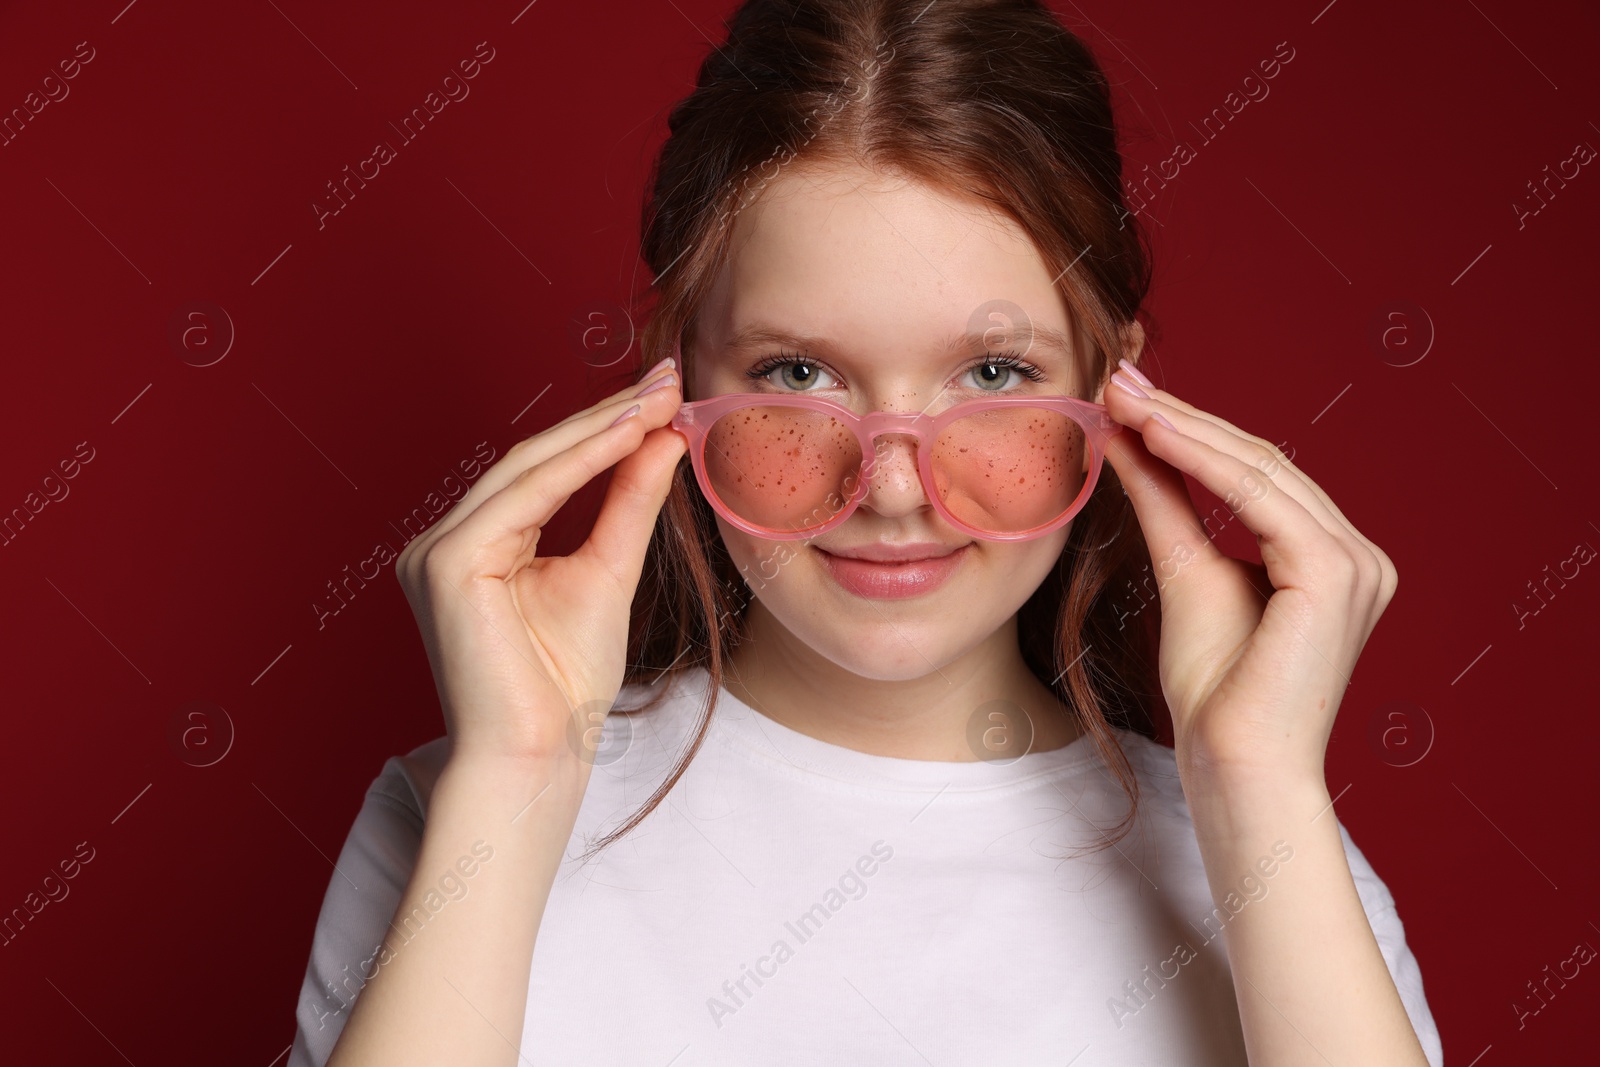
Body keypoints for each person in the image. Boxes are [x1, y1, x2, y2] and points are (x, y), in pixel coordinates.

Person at [288, 1, 1443, 1064]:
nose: (893, 485)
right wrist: (514, 780)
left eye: (993, 372)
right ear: (677, 385)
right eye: (797, 372)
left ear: (1115, 388)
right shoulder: (459, 813)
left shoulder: (1273, 859)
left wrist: (1258, 794)